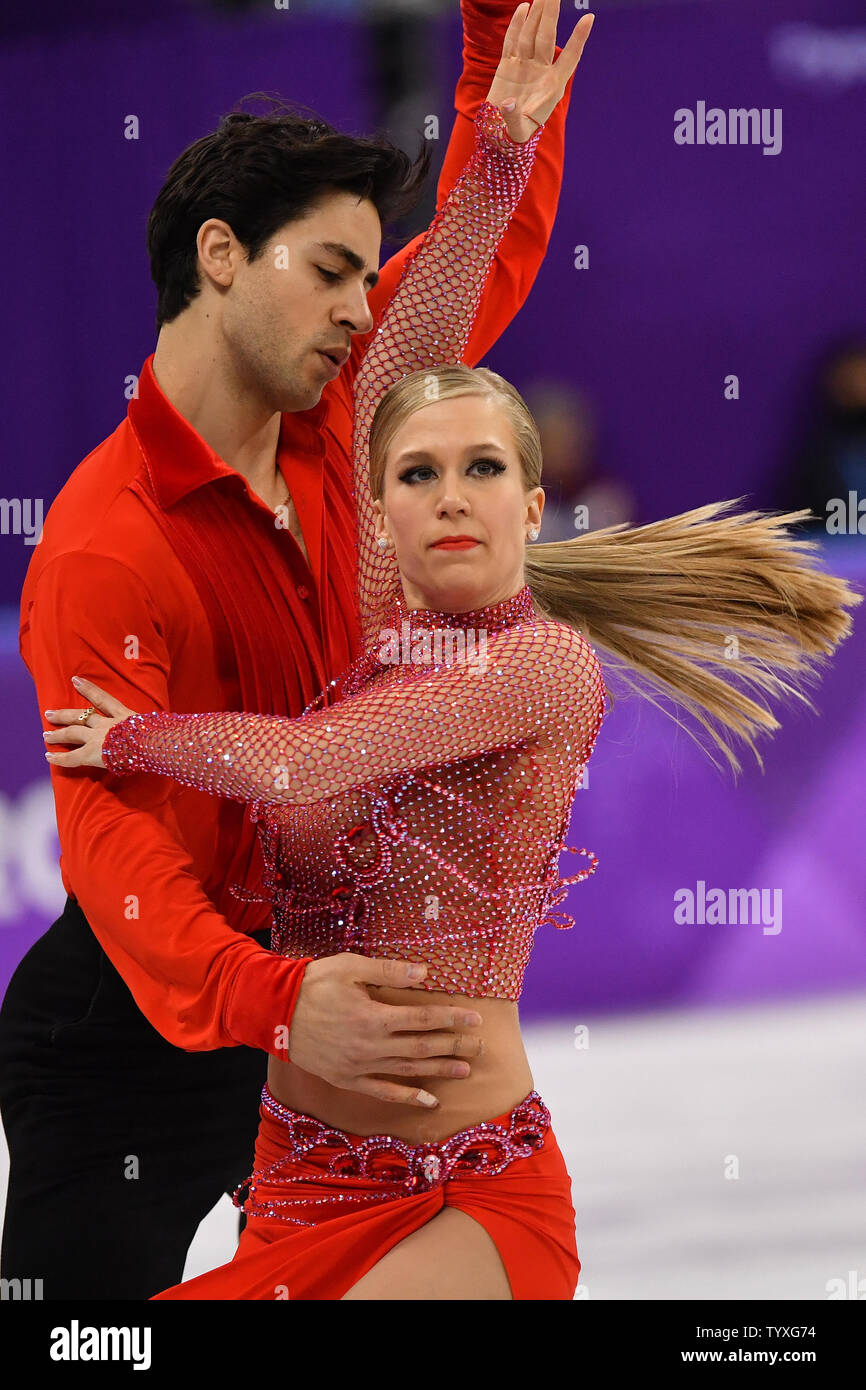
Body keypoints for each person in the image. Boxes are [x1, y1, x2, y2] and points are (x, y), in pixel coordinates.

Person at [0, 0, 596, 1300]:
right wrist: (270, 998)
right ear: (219, 254)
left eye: (362, 275)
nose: (355, 303)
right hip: (148, 1015)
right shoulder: (108, 542)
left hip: (338, 1055)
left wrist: (500, 91)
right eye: (328, 270)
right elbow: (115, 846)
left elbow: (467, 271)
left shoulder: (360, 432)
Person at [45, 358, 861, 1298]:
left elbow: (303, 762)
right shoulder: (373, 643)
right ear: (379, 513)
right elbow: (402, 352)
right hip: (293, 1183)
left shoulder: (544, 665)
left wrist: (136, 736)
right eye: (417, 474)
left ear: (532, 503)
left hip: (461, 1194)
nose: (451, 498)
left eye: (484, 469)